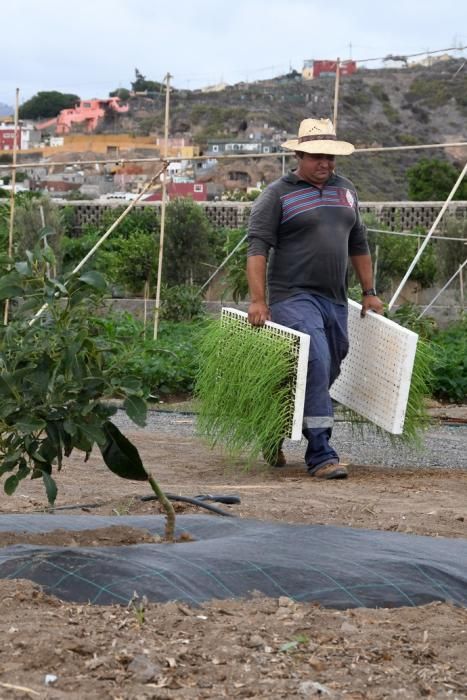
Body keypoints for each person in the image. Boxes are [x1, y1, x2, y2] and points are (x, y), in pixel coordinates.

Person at [246, 117, 384, 480]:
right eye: (317, 157)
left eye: (331, 158)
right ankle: (321, 453)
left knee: (330, 365)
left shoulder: (346, 190)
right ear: (300, 155)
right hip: (292, 296)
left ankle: (272, 423)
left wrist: (369, 293)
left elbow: (358, 243)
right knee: (317, 360)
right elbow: (257, 248)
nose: (325, 164)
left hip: (335, 298)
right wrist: (259, 301)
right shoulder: (278, 194)